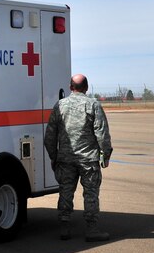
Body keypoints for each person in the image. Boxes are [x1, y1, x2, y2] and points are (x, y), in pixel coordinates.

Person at [44, 74, 113, 242]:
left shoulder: (60, 105)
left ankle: (64, 227)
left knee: (66, 191)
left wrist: (54, 157)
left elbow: (49, 136)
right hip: (88, 159)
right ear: (86, 87)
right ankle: (91, 229)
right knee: (90, 193)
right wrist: (105, 154)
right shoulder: (93, 105)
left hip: (65, 159)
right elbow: (101, 133)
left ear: (70, 87)